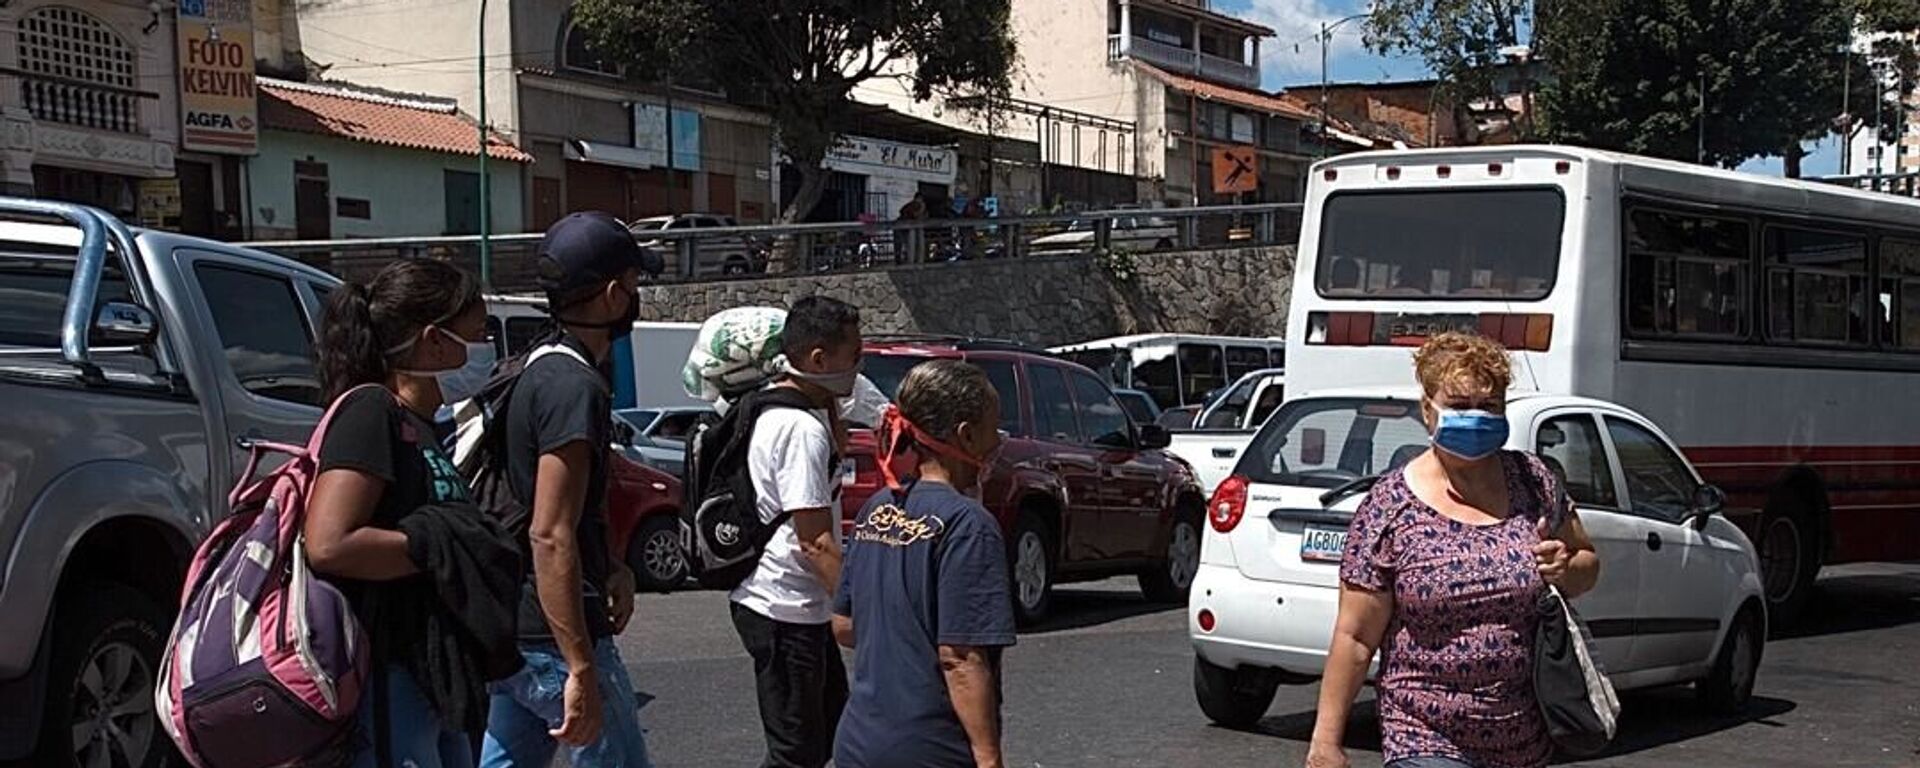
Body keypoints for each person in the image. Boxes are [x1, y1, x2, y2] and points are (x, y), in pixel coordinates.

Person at [1306, 332, 1602, 768]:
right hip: (1423, 733)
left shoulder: (1534, 481)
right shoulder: (1389, 507)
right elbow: (1355, 636)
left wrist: (1566, 567)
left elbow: (1587, 564)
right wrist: (1326, 742)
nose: (1476, 417)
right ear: (1428, 410)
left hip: (1525, 737)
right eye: (1460, 405)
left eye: (1490, 406)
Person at [307, 258, 520, 768]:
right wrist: (444, 545)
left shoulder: (421, 424)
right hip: (389, 673)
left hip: (434, 675)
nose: (486, 349)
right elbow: (329, 543)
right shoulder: (371, 412)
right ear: (434, 341)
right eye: (478, 334)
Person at [481, 212, 654, 768]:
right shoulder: (574, 387)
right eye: (634, 284)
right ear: (613, 295)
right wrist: (580, 665)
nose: (635, 297)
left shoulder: (535, 365)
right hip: (555, 631)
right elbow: (551, 533)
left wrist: (612, 565)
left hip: (519, 619)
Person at [832, 359, 1016, 768]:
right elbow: (960, 658)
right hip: (930, 745)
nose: (998, 441)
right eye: (993, 428)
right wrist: (989, 758)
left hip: (860, 738)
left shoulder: (877, 509)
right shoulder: (969, 525)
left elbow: (844, 624)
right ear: (967, 435)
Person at [731, 295, 864, 768]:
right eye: (854, 355)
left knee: (827, 733)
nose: (859, 367)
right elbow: (815, 540)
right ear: (819, 359)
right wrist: (860, 612)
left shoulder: (779, 407)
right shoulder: (799, 428)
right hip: (783, 607)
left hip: (795, 606)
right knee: (797, 753)